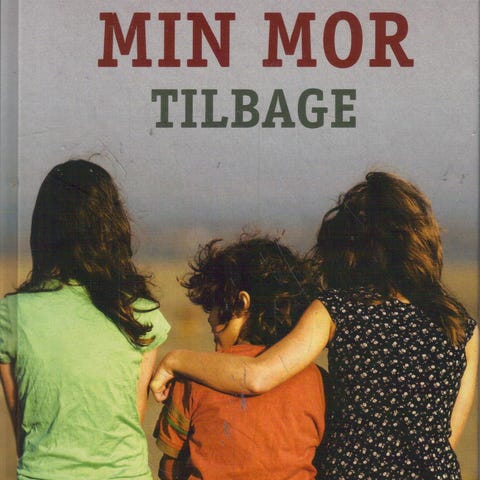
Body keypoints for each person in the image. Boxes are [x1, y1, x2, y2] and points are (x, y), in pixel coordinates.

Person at [151, 172, 478, 479]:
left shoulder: (338, 308)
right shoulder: (463, 327)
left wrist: (175, 360)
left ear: (347, 249)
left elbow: (258, 376)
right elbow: (446, 438)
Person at [0, 159, 170, 480]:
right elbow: (130, 420)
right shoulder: (140, 314)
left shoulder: (12, 315)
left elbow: (23, 436)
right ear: (113, 228)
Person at [154, 236, 326, 480]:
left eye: (213, 306)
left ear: (241, 303)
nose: (210, 318)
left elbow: (170, 467)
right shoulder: (318, 381)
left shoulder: (193, 375)